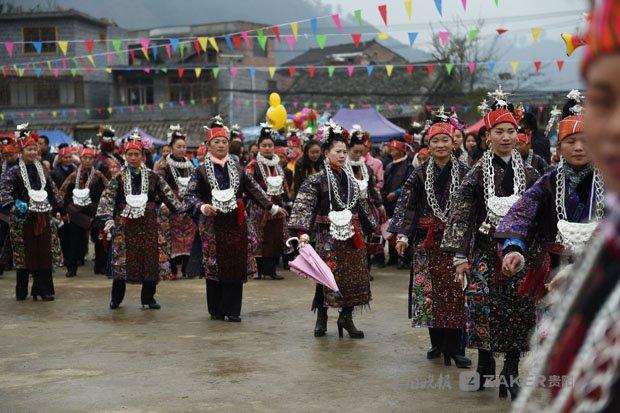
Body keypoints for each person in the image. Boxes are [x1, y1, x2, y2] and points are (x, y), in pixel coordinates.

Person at [515, 1, 620, 410]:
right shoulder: (607, 246)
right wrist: (511, 244)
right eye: (603, 99)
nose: (613, 128)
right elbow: (524, 208)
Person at [441, 89, 540, 400]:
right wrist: (460, 254)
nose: (507, 137)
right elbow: (462, 214)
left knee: (519, 312)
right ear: (487, 137)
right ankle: (485, 363)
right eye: (500, 131)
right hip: (484, 252)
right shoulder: (475, 174)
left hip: (519, 255)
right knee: (483, 310)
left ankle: (510, 373)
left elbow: (541, 213)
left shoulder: (531, 172)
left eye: (512, 131)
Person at [495, 91, 604, 295]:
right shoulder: (547, 182)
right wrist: (514, 249)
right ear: (559, 148)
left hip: (599, 270)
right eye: (571, 142)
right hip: (554, 273)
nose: (579, 148)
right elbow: (521, 215)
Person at [184, 122, 287, 322]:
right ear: (208, 145)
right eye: (216, 142)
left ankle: (232, 310)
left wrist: (271, 207)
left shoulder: (238, 168)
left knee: (235, 264)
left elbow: (254, 189)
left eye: (224, 141)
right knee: (214, 265)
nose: (221, 145)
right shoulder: (201, 171)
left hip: (236, 223)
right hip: (212, 224)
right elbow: (190, 195)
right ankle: (215, 309)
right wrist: (202, 207)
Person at [390, 116, 471, 367]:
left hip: (456, 242)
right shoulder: (419, 174)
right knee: (429, 293)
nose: (440, 145)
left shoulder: (467, 173)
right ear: (428, 144)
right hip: (427, 242)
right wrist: (402, 234)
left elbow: (472, 206)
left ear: (453, 143)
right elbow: (407, 204)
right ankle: (437, 343)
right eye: (435, 141)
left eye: (445, 140)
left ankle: (456, 348)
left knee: (457, 292)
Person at [289, 120, 375, 339]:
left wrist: (370, 227)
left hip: (351, 234)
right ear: (326, 153)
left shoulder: (351, 180)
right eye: (338, 151)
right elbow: (304, 204)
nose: (342, 156)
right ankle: (322, 316)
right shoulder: (315, 180)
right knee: (326, 276)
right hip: (327, 235)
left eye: (344, 152)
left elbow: (361, 205)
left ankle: (347, 317)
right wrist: (302, 232)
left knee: (354, 277)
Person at [96, 132, 183, 310]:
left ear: (143, 156)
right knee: (122, 259)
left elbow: (168, 194)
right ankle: (116, 298)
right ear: (125, 156)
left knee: (149, 259)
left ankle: (148, 298)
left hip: (148, 222)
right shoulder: (119, 176)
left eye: (137, 154)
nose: (133, 158)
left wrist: (180, 209)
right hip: (124, 223)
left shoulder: (153, 176)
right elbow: (108, 197)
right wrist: (107, 218)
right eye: (130, 154)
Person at [0, 124, 63, 301]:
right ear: (21, 151)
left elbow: (52, 190)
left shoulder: (42, 169)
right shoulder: (13, 171)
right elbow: (4, 191)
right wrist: (13, 206)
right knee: (24, 256)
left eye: (35, 149)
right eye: (29, 149)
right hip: (22, 218)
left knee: (44, 253)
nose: (33, 152)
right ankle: (22, 291)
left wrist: (61, 208)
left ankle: (44, 289)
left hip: (42, 216)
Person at [245, 124, 291, 280]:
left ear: (274, 147)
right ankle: (258, 271)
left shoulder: (278, 165)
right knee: (258, 238)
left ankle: (271, 270)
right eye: (263, 145)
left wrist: (287, 200)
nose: (267, 148)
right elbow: (249, 185)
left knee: (275, 237)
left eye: (270, 145)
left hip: (278, 206)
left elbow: (284, 185)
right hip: (259, 208)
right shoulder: (253, 165)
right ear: (258, 147)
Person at [59, 142, 108, 277]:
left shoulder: (98, 175)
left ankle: (100, 266)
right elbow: (62, 193)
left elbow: (109, 191)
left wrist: (103, 206)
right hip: (76, 212)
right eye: (85, 158)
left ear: (94, 160)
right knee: (74, 240)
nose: (87, 160)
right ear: (80, 159)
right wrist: (65, 209)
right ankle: (72, 267)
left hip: (94, 211)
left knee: (99, 238)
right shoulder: (74, 176)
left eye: (90, 158)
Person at [155, 125, 196, 280]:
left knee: (189, 240)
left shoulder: (191, 166)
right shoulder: (164, 165)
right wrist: (166, 202)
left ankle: (187, 268)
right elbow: (160, 185)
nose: (182, 149)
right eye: (178, 146)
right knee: (171, 240)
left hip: (187, 208)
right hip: (170, 208)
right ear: (171, 148)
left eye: (184, 147)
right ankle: (172, 269)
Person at [347, 126, 385, 278]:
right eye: (354, 152)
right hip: (351, 211)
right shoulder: (343, 168)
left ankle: (366, 270)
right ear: (348, 150)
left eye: (360, 152)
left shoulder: (366, 169)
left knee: (368, 240)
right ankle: (353, 271)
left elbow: (373, 189)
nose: (357, 155)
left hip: (367, 208)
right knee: (353, 241)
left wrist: (380, 204)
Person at [380, 139, 414, 268]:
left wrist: (397, 193)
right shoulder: (389, 165)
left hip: (401, 202)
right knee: (390, 230)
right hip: (389, 203)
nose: (391, 151)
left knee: (402, 230)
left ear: (400, 150)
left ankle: (404, 259)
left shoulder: (409, 166)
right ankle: (393, 258)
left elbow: (409, 184)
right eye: (391, 149)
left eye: (394, 149)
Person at [0, 135, 20, 277]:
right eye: (5, 155)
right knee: (3, 236)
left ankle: (18, 263)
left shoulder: (22, 166)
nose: (7, 157)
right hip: (3, 206)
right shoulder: (2, 166)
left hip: (19, 205)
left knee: (18, 236)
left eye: (10, 154)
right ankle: (3, 263)